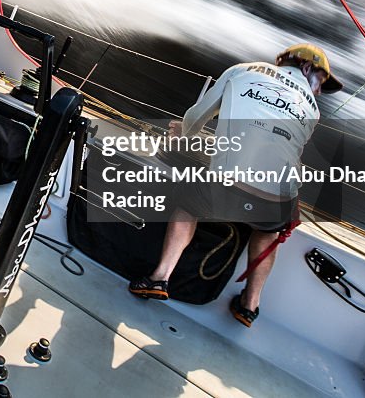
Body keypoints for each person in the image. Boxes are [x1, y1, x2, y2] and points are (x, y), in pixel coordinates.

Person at [128, 43, 342, 326]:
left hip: (226, 186)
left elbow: (196, 116)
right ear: (306, 69)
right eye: (321, 82)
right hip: (277, 200)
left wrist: (184, 134)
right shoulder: (312, 109)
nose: (318, 91)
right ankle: (249, 305)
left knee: (188, 204)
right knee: (267, 234)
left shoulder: (242, 71)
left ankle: (160, 278)